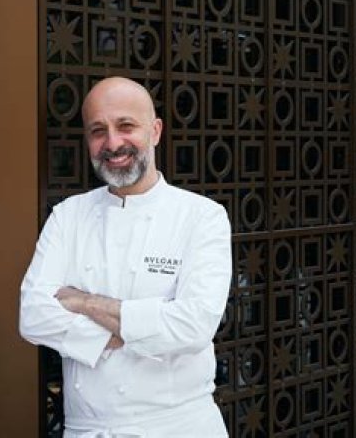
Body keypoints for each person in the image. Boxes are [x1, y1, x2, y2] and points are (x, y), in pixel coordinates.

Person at [19, 76, 232, 437]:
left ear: (155, 131)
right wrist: (142, 329)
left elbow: (194, 326)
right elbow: (33, 316)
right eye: (98, 131)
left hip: (178, 427)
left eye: (126, 126)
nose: (113, 143)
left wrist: (84, 302)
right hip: (89, 429)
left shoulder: (202, 216)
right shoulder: (67, 215)